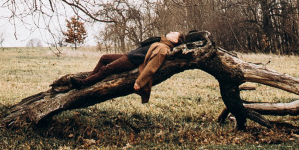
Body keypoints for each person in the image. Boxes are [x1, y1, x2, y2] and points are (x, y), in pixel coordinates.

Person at [53, 30, 209, 102]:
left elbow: (152, 67)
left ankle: (84, 83)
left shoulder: (163, 49)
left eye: (174, 33)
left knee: (106, 70)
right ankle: (89, 78)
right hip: (129, 55)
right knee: (104, 57)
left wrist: (139, 82)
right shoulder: (161, 43)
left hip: (131, 61)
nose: (171, 32)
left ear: (176, 41)